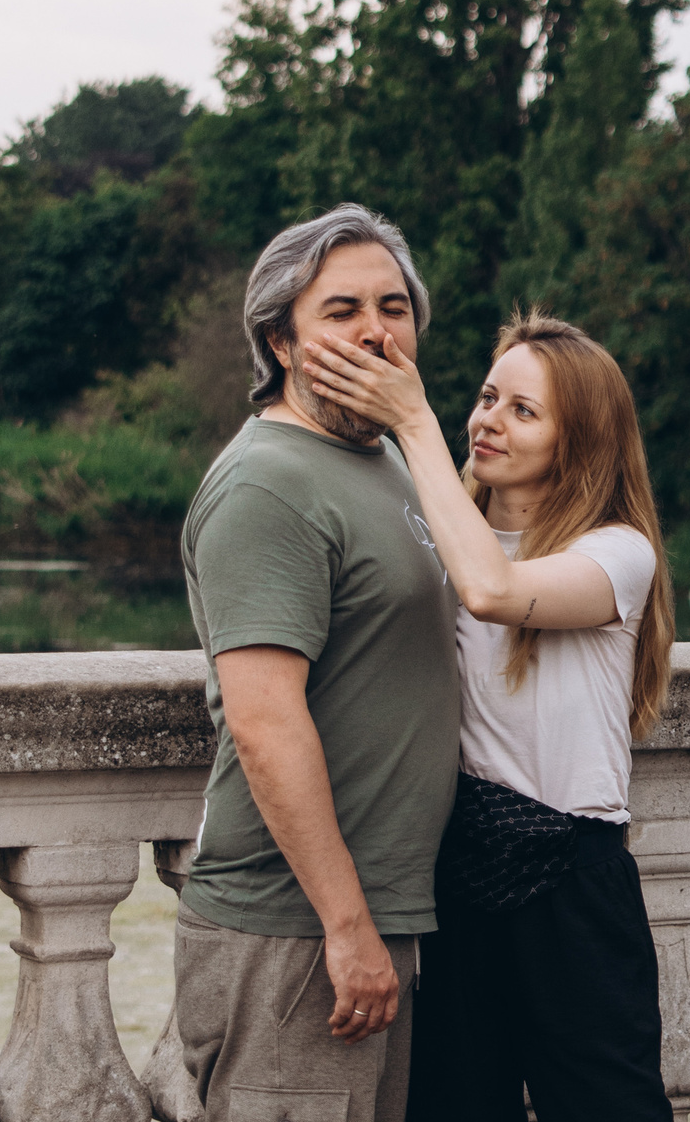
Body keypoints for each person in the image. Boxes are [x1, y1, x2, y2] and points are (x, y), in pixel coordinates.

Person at [308, 310, 676, 1122]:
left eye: (524, 410)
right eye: (485, 397)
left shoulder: (617, 553)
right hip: (451, 880)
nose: (487, 421)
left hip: (570, 885)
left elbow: (494, 592)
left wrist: (411, 420)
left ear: (578, 440)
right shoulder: (436, 537)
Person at [172, 203, 460, 1122]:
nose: (375, 330)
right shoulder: (269, 482)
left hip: (390, 918)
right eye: (340, 310)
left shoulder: (390, 463)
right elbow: (263, 723)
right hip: (295, 933)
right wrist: (346, 925)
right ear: (281, 340)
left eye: (393, 306)